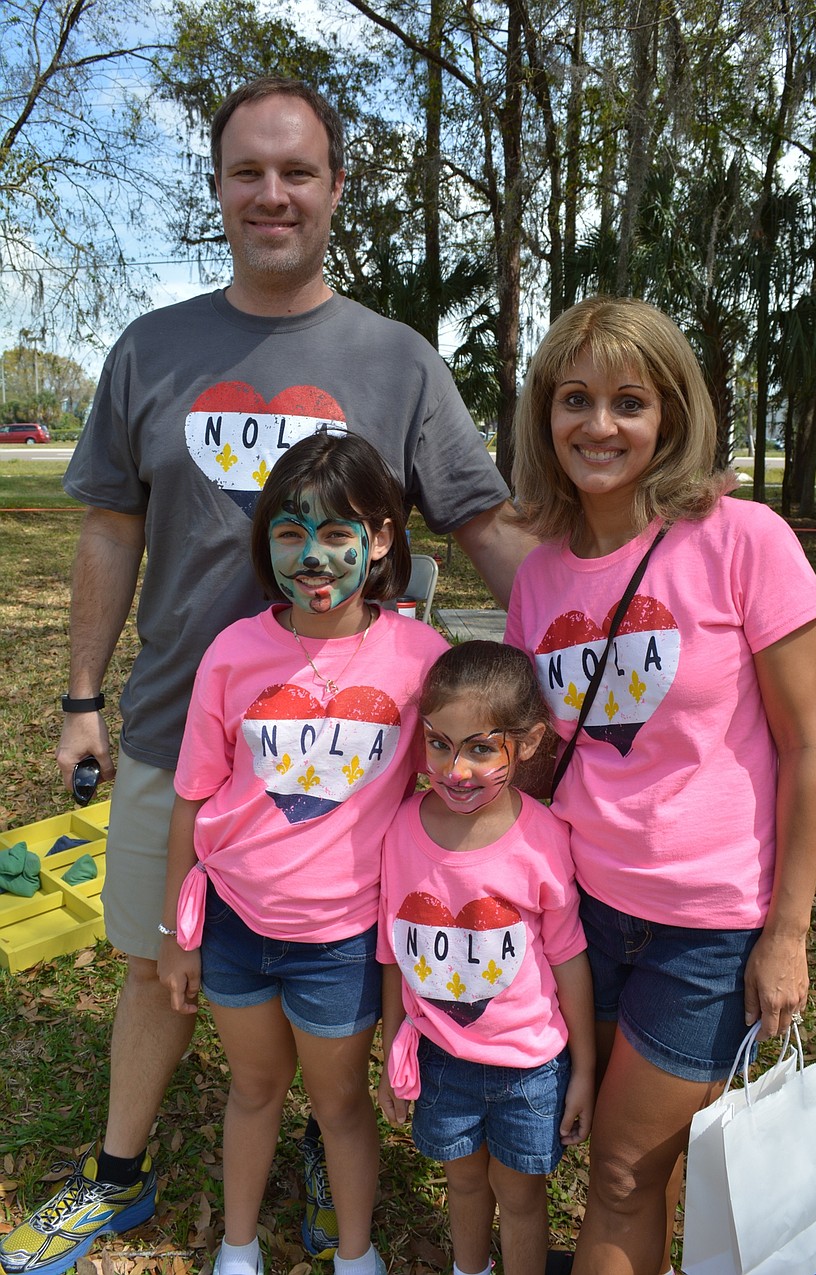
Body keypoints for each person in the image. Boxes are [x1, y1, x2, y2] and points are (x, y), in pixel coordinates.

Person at [0, 76, 534, 1275]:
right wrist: (82, 698)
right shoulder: (152, 348)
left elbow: (480, 518)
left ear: (336, 188)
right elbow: (104, 530)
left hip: (363, 748)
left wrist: (585, 614)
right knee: (156, 953)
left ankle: (317, 1138)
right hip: (183, 727)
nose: (273, 194)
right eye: (248, 172)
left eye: (297, 171)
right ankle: (118, 1175)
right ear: (219, 190)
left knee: (341, 954)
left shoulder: (396, 361)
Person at [504, 295, 816, 1275]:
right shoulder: (539, 578)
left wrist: (785, 933)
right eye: (574, 399)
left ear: (671, 415)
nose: (598, 426)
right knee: (635, 1166)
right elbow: (544, 756)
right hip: (582, 910)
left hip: (708, 925)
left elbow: (811, 748)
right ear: (542, 415)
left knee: (616, 1171)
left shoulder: (744, 539)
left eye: (627, 402)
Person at [156, 431, 448, 1275]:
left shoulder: (419, 660)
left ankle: (357, 1255)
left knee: (340, 1102)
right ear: (268, 542)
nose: (314, 557)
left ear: (382, 539)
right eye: (291, 533)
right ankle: (237, 1247)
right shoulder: (234, 653)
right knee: (254, 1091)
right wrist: (181, 935)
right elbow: (192, 796)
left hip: (344, 942)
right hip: (238, 928)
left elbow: (458, 782)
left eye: (337, 533)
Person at [377, 641, 596, 1275]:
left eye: (480, 748)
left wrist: (582, 1070)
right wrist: (396, 1049)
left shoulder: (544, 839)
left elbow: (569, 958)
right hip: (441, 1060)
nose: (455, 769)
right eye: (440, 743)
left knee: (521, 1200)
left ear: (526, 743)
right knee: (465, 1187)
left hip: (530, 1069)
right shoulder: (399, 831)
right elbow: (393, 955)